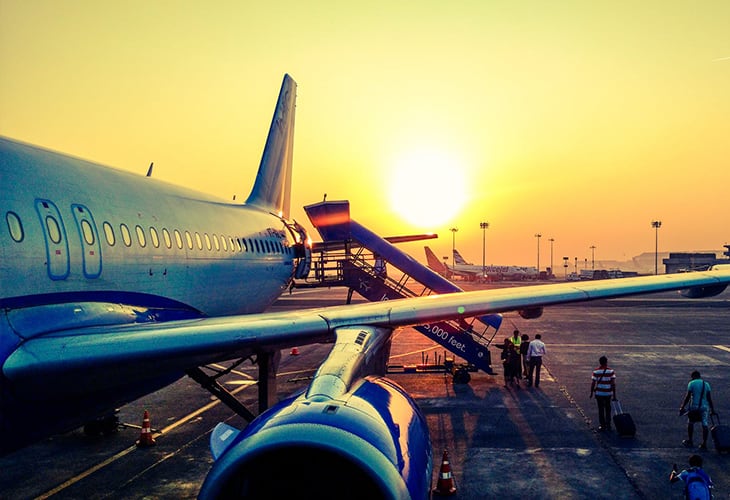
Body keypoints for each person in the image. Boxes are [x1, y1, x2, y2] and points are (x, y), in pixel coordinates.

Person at [679, 370, 716, 450]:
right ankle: (704, 443)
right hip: (705, 407)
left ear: (693, 376)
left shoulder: (691, 383)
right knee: (705, 424)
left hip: (694, 406)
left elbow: (688, 396)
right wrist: (712, 409)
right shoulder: (706, 384)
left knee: (691, 423)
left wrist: (682, 406)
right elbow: (709, 398)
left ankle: (690, 440)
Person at [590, 356, 617, 431]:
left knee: (601, 409)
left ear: (600, 362)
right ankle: (608, 425)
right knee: (608, 409)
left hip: (599, 393)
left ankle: (602, 425)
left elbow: (593, 383)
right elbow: (613, 384)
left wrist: (591, 393)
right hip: (608, 393)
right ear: (606, 362)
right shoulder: (611, 371)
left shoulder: (596, 371)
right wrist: (614, 395)